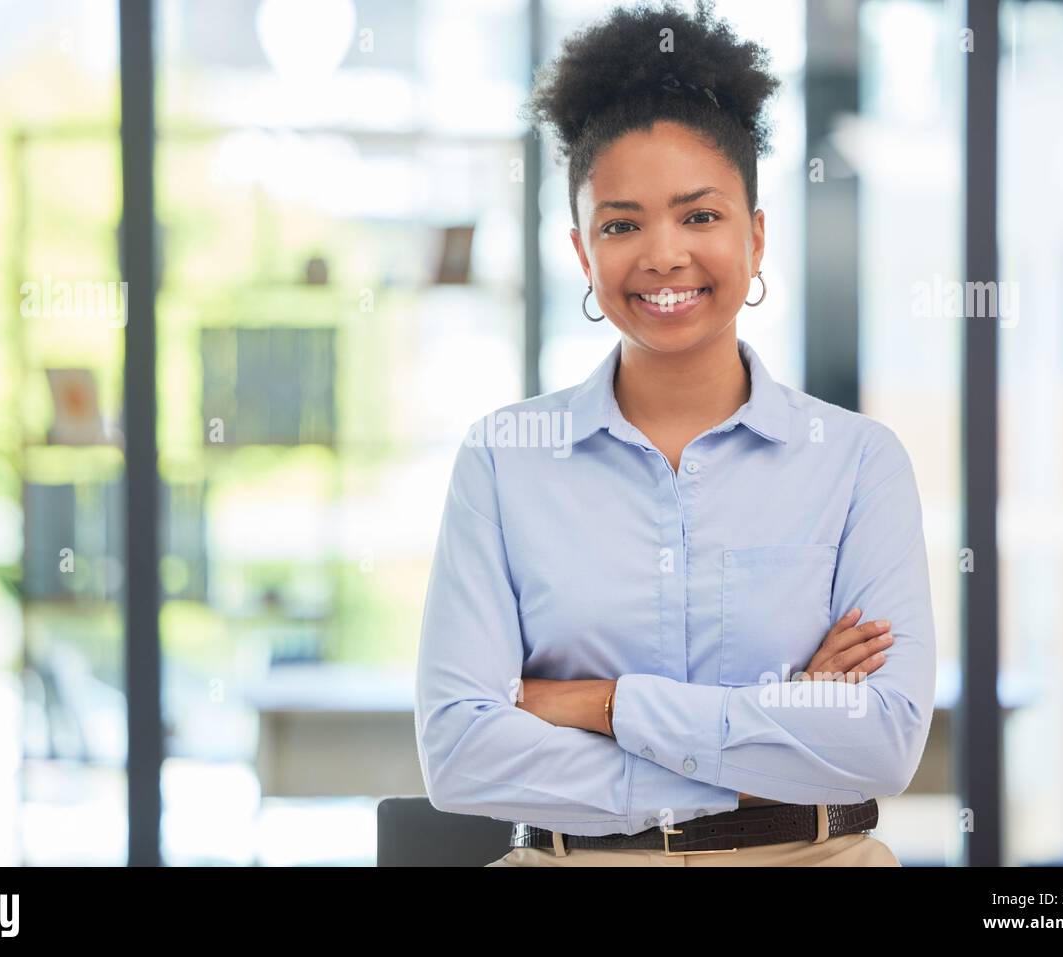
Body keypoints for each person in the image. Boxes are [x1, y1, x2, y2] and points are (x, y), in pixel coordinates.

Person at [413, 0, 936, 867]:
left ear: (756, 237)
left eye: (700, 215)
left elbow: (880, 744)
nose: (662, 254)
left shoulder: (856, 463)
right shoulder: (503, 458)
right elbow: (461, 754)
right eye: (620, 224)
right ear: (582, 253)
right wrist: (772, 736)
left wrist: (601, 704)